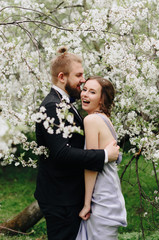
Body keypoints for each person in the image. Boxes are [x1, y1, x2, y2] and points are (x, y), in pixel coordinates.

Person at [34, 47, 120, 240]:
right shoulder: (52, 106)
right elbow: (61, 153)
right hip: (60, 198)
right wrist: (104, 155)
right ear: (62, 77)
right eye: (79, 75)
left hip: (68, 196)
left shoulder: (65, 102)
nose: (83, 79)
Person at [76, 76, 127, 240]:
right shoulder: (105, 119)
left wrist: (87, 204)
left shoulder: (91, 120)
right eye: (84, 90)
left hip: (102, 196)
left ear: (101, 99)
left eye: (92, 92)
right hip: (110, 191)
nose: (85, 95)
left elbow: (92, 163)